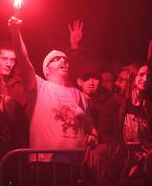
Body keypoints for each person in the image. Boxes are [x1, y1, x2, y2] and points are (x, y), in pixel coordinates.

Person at [8, 16, 90, 185]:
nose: (63, 61)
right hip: (44, 163)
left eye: (65, 59)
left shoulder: (78, 94)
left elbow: (90, 128)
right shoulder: (38, 86)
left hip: (74, 164)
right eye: (55, 59)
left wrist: (91, 137)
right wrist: (16, 32)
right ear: (46, 69)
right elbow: (23, 59)